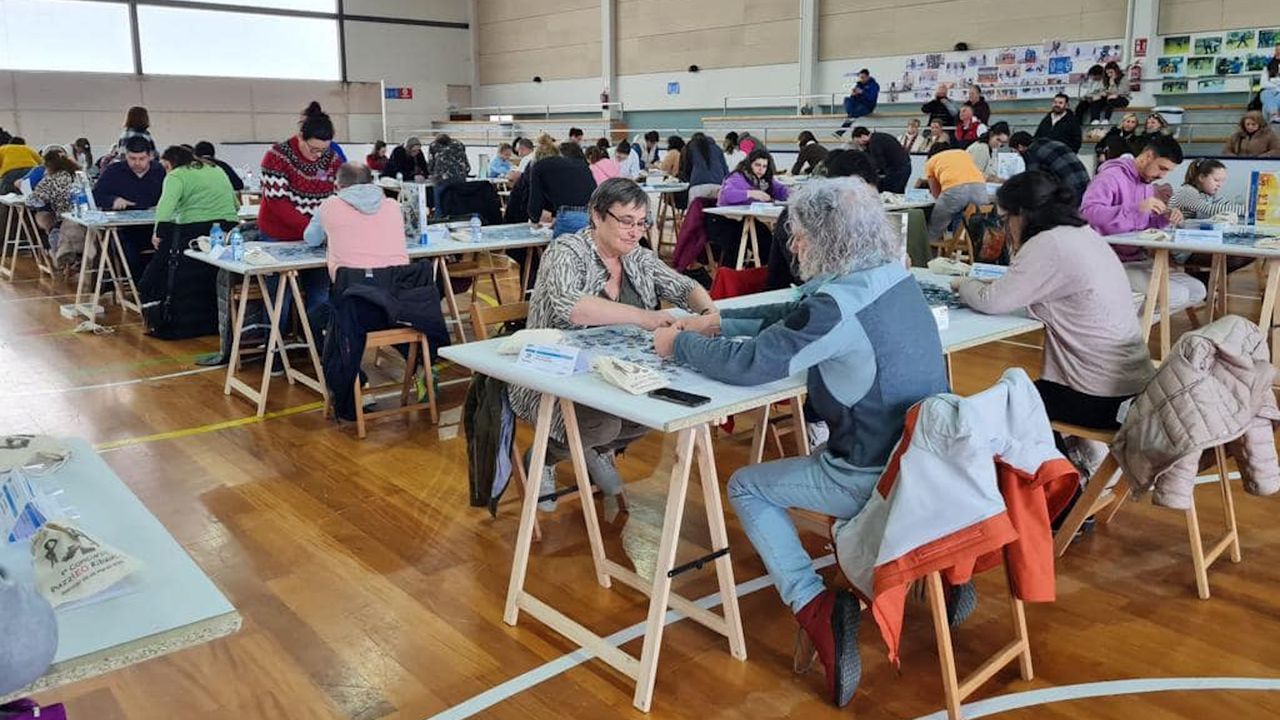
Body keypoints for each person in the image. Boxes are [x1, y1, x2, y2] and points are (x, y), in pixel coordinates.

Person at [653, 177, 949, 708]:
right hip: (924, 463)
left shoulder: (839, 306)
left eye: (801, 234)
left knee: (745, 485)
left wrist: (681, 345)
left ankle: (814, 607)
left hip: (870, 475)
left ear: (828, 238)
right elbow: (799, 314)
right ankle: (942, 575)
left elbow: (754, 364)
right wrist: (720, 321)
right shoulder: (892, 278)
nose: (792, 244)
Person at [512, 178, 716, 512]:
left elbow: (683, 286)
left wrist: (709, 313)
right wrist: (643, 317)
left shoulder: (638, 257)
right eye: (626, 222)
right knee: (603, 423)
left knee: (649, 411)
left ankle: (598, 451)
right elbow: (572, 306)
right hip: (554, 374)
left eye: (641, 223)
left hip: (617, 372)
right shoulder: (566, 251)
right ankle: (544, 456)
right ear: (597, 215)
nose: (635, 232)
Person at [953, 171, 1153, 474]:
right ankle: (1085, 462)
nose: (1005, 228)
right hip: (1131, 386)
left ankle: (1065, 485)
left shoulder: (1047, 244)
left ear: (1022, 214)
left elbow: (992, 301)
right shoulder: (1081, 233)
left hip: (1099, 396)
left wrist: (963, 283)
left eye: (1005, 219)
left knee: (1013, 406)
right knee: (1029, 395)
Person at [1081, 134, 1207, 309]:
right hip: (1111, 260)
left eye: (1167, 171)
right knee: (1176, 295)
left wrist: (1163, 218)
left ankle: (1132, 321)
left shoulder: (1146, 184)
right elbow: (1087, 213)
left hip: (1137, 258)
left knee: (1197, 291)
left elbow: (1142, 226)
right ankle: (1126, 324)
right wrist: (1135, 208)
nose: (1162, 175)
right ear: (1148, 156)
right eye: (1162, 168)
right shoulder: (1110, 176)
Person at [141, 144, 240, 339]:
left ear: (170, 163)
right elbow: (235, 204)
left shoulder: (176, 175)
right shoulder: (215, 169)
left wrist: (158, 232)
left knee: (157, 273)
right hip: (226, 229)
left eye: (165, 167)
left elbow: (165, 206)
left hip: (192, 232)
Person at [766, 149, 880, 291]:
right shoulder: (801, 217)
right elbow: (810, 278)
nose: (866, 207)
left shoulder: (856, 218)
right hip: (796, 294)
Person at [304, 162, 408, 281]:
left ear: (337, 186)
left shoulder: (329, 205)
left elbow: (311, 239)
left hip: (351, 284)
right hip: (398, 283)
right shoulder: (393, 206)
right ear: (373, 183)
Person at [92, 136, 166, 275]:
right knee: (128, 253)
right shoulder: (114, 171)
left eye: (142, 159)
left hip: (153, 226)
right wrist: (113, 200)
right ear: (126, 156)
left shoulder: (160, 171)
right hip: (125, 229)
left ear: (150, 156)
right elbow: (96, 195)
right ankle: (138, 283)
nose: (137, 163)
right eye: (132, 158)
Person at [528, 141, 596, 237]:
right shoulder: (580, 164)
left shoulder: (538, 167)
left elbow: (536, 199)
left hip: (569, 217)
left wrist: (534, 221)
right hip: (593, 216)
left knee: (562, 246)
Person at [923, 145, 989, 241]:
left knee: (935, 228)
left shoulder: (930, 162)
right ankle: (962, 245)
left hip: (955, 191)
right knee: (966, 219)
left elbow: (935, 193)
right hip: (980, 188)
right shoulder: (962, 153)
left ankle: (928, 247)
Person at [1010, 131, 1090, 204]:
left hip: (1070, 192)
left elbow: (1033, 181)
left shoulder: (1031, 152)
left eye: (1015, 151)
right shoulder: (1053, 143)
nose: (1018, 155)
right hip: (1087, 186)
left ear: (1020, 147)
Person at [851, 126, 911, 193]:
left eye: (858, 141)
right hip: (903, 166)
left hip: (898, 169)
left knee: (890, 192)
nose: (859, 144)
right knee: (897, 192)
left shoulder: (875, 142)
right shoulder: (878, 137)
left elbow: (878, 163)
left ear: (863, 136)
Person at [680, 133, 729, 201]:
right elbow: (725, 171)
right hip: (718, 185)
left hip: (697, 185)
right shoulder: (717, 148)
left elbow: (686, 169)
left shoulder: (690, 147)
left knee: (695, 207)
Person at [427, 133, 470, 207]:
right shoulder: (459, 144)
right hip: (459, 179)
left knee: (439, 203)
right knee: (459, 203)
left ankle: (439, 213)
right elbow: (466, 166)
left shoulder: (433, 145)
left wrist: (430, 174)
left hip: (440, 179)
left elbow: (431, 165)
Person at [837, 69, 880, 135]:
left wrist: (862, 92)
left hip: (867, 106)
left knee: (855, 112)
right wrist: (854, 95)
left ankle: (841, 131)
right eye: (860, 77)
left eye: (863, 77)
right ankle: (851, 115)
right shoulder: (859, 84)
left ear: (867, 77)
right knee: (847, 100)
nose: (861, 79)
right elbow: (853, 98)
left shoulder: (874, 85)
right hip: (858, 104)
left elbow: (872, 98)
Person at [1261, 57, 1280, 123]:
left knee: (1267, 103)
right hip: (1271, 92)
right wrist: (1277, 86)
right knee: (1265, 93)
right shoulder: (1267, 70)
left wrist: (1272, 83)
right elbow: (1263, 84)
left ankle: (1273, 115)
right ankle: (1274, 115)